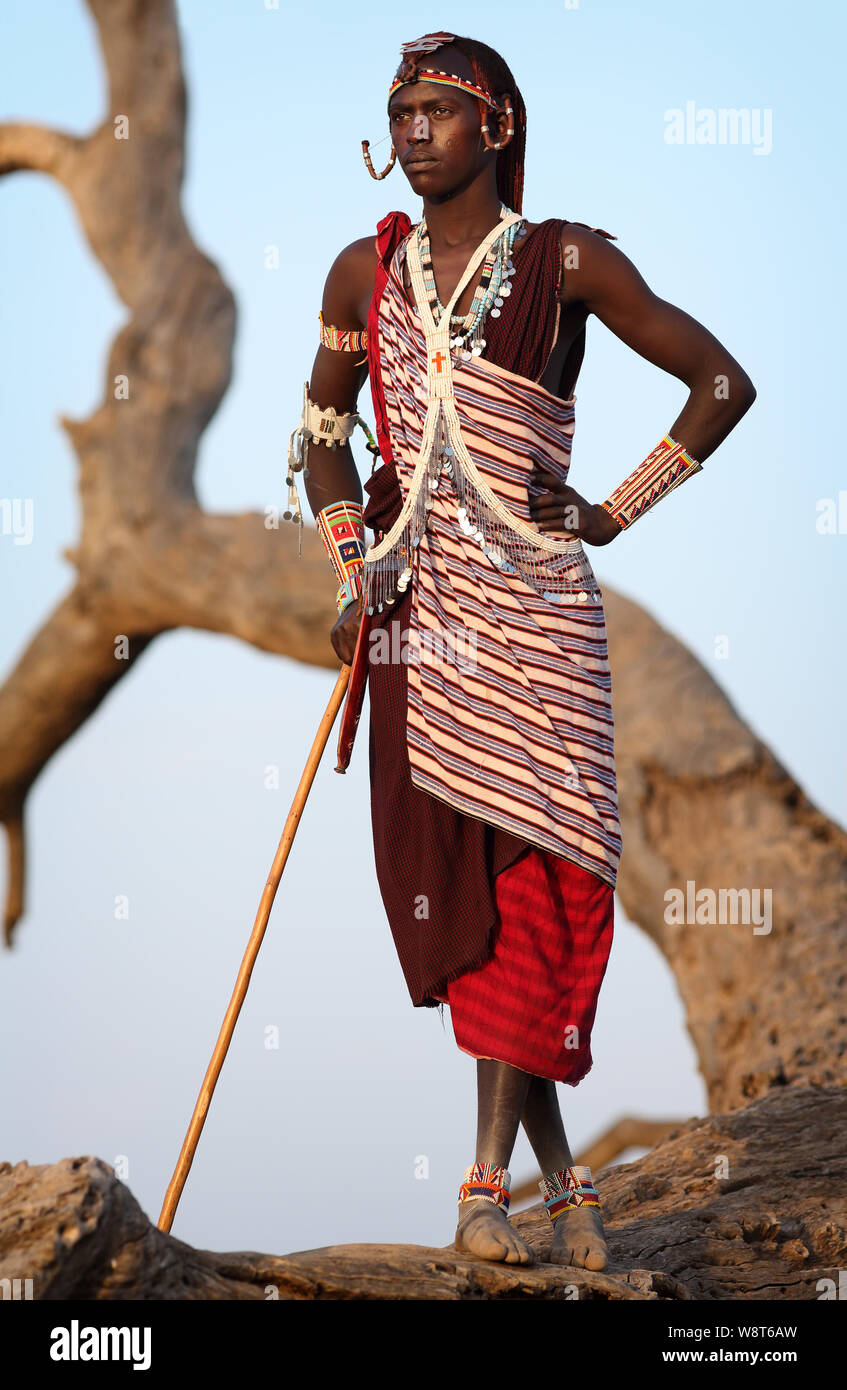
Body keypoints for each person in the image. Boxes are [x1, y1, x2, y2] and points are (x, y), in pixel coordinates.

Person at [286, 32, 756, 1270]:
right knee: (476, 901)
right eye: (397, 111)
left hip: (541, 620)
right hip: (421, 617)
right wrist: (357, 561)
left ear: (495, 126)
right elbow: (322, 437)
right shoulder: (360, 274)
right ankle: (557, 1193)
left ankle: (484, 1189)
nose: (412, 130)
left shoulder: (569, 262)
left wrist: (609, 511)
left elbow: (719, 380)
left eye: (436, 109)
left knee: (548, 888)